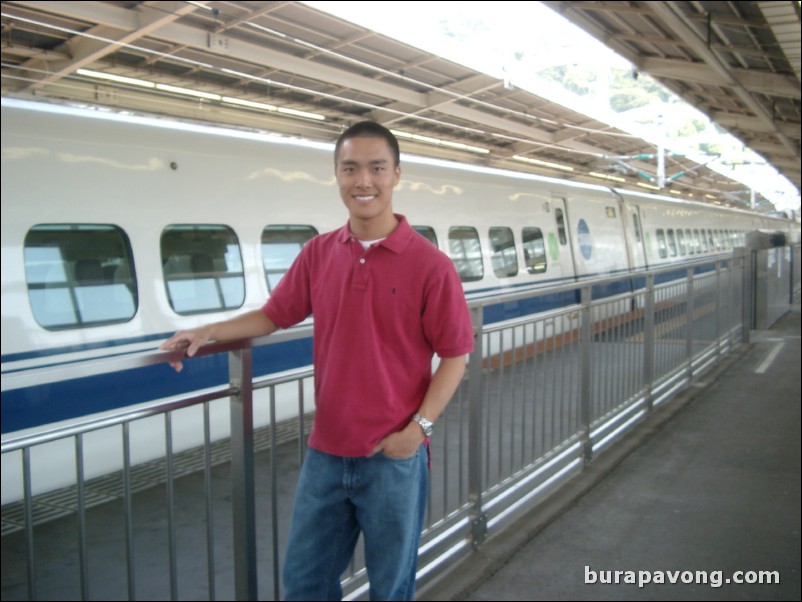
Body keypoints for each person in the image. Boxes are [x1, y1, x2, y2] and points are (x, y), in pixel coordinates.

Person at [160, 121, 474, 600]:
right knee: (304, 585)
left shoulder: (431, 266)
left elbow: (456, 356)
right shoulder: (319, 253)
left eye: (376, 168)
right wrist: (207, 332)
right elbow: (272, 315)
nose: (362, 181)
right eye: (350, 169)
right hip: (325, 454)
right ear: (337, 175)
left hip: (392, 457)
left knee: (390, 590)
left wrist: (417, 433)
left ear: (396, 175)